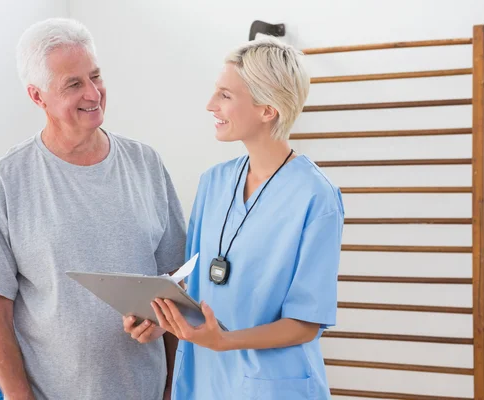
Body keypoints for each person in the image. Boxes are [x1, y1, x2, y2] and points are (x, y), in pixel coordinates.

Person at [0, 18, 185, 400]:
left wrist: (170, 384)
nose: (94, 93)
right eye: (74, 84)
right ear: (37, 96)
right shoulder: (3, 182)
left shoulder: (147, 164)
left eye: (95, 76)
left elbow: (177, 280)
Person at [124, 37, 344, 399]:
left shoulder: (316, 197)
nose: (211, 105)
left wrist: (224, 340)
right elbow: (194, 283)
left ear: (267, 109)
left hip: (272, 386)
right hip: (204, 380)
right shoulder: (214, 182)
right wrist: (158, 314)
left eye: (225, 95)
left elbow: (306, 322)